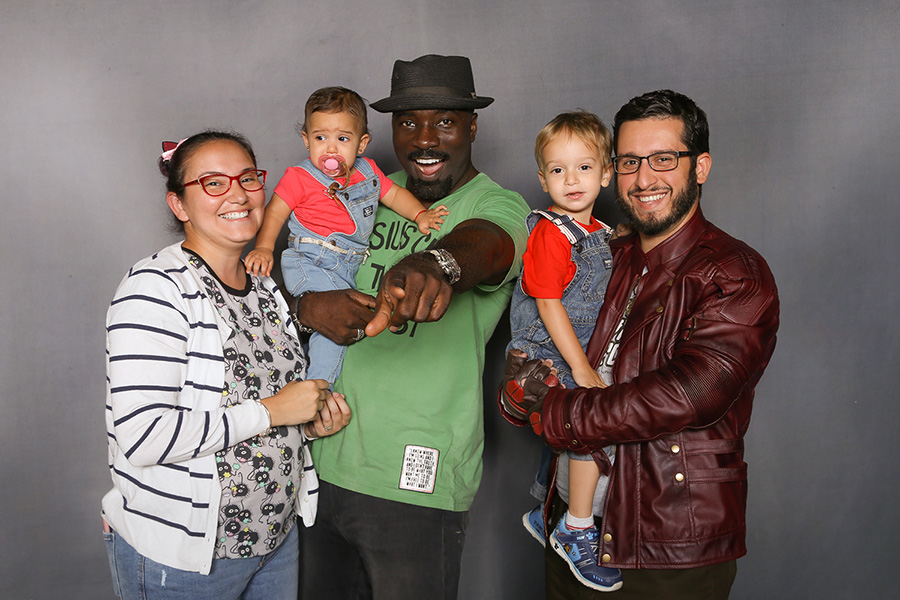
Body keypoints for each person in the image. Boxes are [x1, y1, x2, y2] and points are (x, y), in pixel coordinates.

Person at [499, 90, 780, 600]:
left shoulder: (734, 272)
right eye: (630, 161)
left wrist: (562, 406)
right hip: (572, 533)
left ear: (701, 167)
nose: (645, 178)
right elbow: (541, 334)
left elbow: (689, 395)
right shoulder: (604, 251)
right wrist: (524, 383)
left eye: (663, 159)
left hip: (665, 544)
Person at [294, 55, 530, 599]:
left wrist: (437, 264)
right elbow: (302, 269)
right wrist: (309, 307)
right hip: (319, 464)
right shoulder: (364, 188)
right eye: (408, 123)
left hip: (413, 482)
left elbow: (489, 244)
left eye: (445, 122)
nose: (425, 139)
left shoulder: (497, 204)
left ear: (472, 127)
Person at [101, 130, 351, 600]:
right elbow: (143, 436)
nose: (237, 194)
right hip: (185, 557)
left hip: (275, 541)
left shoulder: (265, 288)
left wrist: (309, 423)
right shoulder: (154, 289)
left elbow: (269, 404)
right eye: (212, 183)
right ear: (179, 205)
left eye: (247, 179)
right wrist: (275, 411)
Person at [244, 87, 448, 385]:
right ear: (306, 140)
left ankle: (377, 325)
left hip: (349, 263)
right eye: (320, 138)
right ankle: (318, 388)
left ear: (361, 143)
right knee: (334, 321)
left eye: (342, 139)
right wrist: (263, 247)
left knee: (351, 317)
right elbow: (275, 212)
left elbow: (394, 195)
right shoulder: (299, 178)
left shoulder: (367, 171)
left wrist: (419, 214)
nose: (330, 149)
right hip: (311, 260)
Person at [506, 111, 622, 592]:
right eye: (557, 170)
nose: (571, 180)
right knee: (592, 424)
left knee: (566, 432)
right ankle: (576, 530)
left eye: (584, 168)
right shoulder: (553, 233)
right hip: (547, 352)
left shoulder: (597, 232)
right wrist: (579, 367)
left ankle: (543, 509)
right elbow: (550, 304)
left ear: (607, 173)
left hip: (571, 349)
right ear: (542, 177)